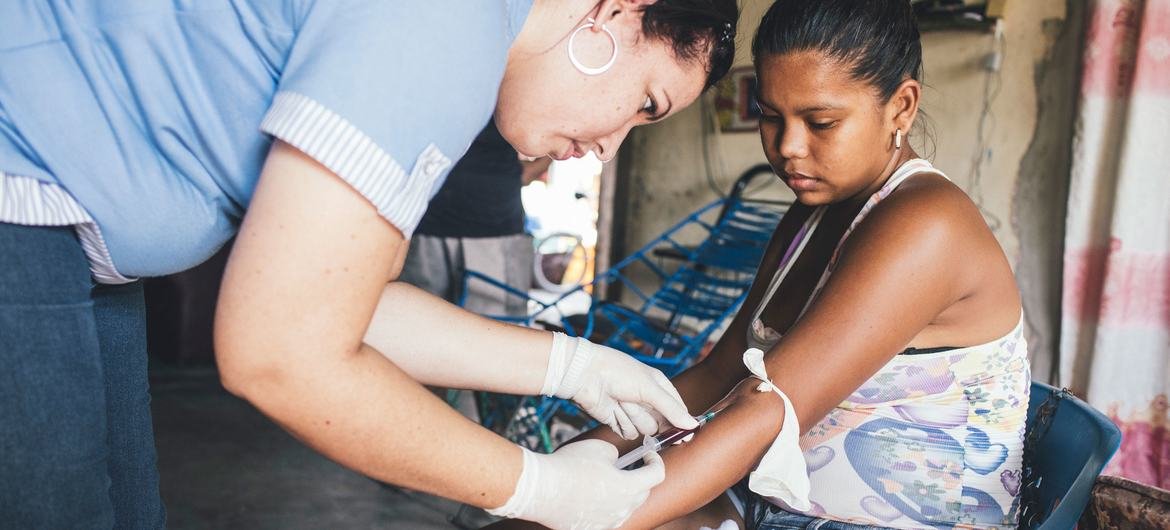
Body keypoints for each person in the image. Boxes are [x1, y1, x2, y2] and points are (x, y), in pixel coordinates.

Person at [0, 1, 739, 529]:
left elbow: (339, 300)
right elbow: (281, 354)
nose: (610, 146)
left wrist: (574, 367)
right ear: (616, 14)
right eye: (645, 103)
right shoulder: (444, 32)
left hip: (76, 241)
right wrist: (535, 487)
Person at [487, 0, 1030, 529]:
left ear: (902, 107)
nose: (789, 147)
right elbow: (719, 378)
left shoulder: (928, 224)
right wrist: (552, 479)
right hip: (779, 508)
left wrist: (576, 515)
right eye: (771, 117)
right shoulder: (811, 217)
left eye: (821, 122)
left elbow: (764, 411)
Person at [400, 118, 548, 319]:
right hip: (427, 227)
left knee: (497, 336)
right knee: (412, 330)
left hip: (493, 231)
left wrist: (531, 169)